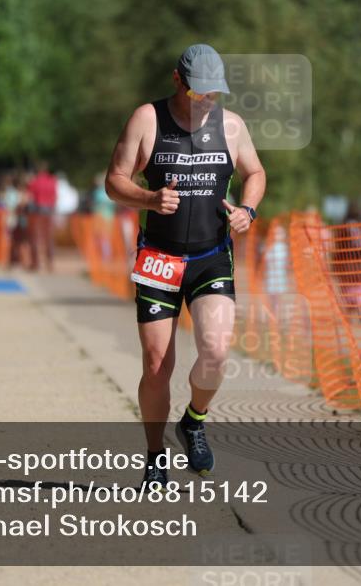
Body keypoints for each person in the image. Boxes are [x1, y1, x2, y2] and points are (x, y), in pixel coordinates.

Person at [105, 44, 266, 489]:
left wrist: (248, 210)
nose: (206, 100)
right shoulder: (147, 119)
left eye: (214, 92)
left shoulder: (232, 126)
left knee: (216, 352)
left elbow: (255, 173)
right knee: (157, 363)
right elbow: (114, 181)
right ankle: (155, 456)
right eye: (198, 92)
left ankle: (194, 420)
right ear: (178, 81)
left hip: (210, 255)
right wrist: (149, 198)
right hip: (159, 256)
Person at [27, 161, 57, 272]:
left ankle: (36, 263)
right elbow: (55, 196)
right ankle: (50, 263)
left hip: (38, 212)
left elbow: (30, 197)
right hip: (49, 211)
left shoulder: (34, 181)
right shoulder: (52, 180)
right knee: (49, 238)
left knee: (35, 238)